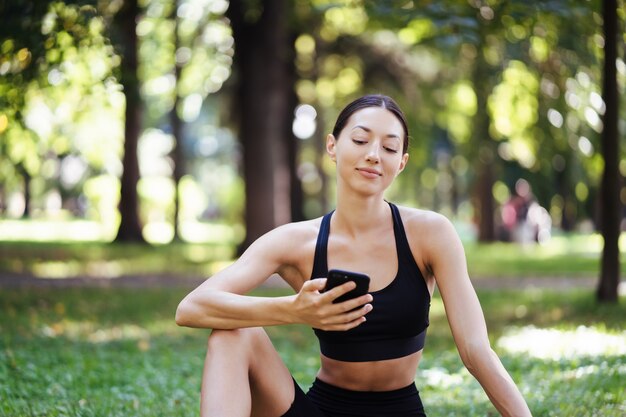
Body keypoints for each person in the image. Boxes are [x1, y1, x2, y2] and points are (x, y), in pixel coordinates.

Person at [175, 94, 532, 417]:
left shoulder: (431, 233)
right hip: (323, 409)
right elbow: (191, 308)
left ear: (402, 162)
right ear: (332, 146)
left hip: (399, 410)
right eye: (360, 140)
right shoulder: (296, 242)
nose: (374, 154)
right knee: (232, 335)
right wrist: (292, 310)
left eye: (390, 148)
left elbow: (475, 350)